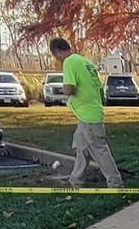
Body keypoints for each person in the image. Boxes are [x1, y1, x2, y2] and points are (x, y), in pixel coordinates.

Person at [49, 34, 124, 188]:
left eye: (55, 56)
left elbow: (69, 89)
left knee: (100, 150)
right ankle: (76, 181)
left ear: (57, 52)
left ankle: (115, 183)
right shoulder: (85, 62)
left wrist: (63, 90)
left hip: (88, 116)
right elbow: (98, 87)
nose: (57, 59)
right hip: (89, 113)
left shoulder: (69, 62)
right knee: (80, 148)